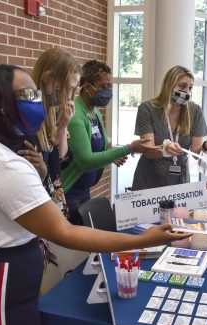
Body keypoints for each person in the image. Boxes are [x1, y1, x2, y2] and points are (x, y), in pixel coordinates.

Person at [0, 64, 190, 325]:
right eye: (28, 94)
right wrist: (141, 241)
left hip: (8, 279)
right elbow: (64, 231)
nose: (38, 101)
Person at [61, 60, 156, 224]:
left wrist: (111, 155)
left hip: (84, 190)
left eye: (110, 86)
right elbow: (85, 160)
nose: (109, 91)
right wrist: (129, 148)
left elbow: (97, 148)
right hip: (70, 191)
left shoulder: (94, 112)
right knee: (75, 246)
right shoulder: (76, 116)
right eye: (104, 86)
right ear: (87, 87)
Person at [132, 65, 207, 190]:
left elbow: (196, 152)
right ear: (169, 85)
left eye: (190, 88)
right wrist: (165, 149)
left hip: (179, 179)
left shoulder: (195, 111)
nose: (187, 91)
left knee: (180, 210)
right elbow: (148, 152)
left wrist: (206, 146)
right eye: (182, 86)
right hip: (150, 178)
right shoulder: (147, 109)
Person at [28, 47, 80, 219]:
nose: (70, 96)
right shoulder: (29, 115)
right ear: (48, 80)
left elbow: (62, 162)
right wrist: (42, 172)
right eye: (68, 88)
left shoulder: (53, 113)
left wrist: (63, 127)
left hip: (54, 202)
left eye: (73, 89)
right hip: (37, 207)